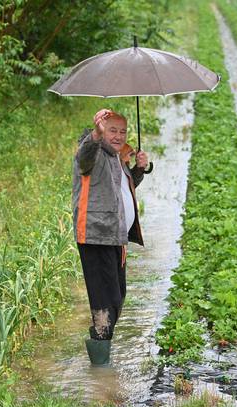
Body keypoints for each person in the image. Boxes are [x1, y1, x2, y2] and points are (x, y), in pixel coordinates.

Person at [72, 108, 148, 365]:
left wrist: (138, 170)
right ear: (102, 131)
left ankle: (101, 350)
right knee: (106, 301)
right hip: (96, 235)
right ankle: (100, 367)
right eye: (112, 130)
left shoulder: (117, 156)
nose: (118, 136)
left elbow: (119, 191)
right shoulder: (91, 151)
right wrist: (95, 133)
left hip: (116, 237)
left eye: (122, 131)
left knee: (118, 297)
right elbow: (83, 159)